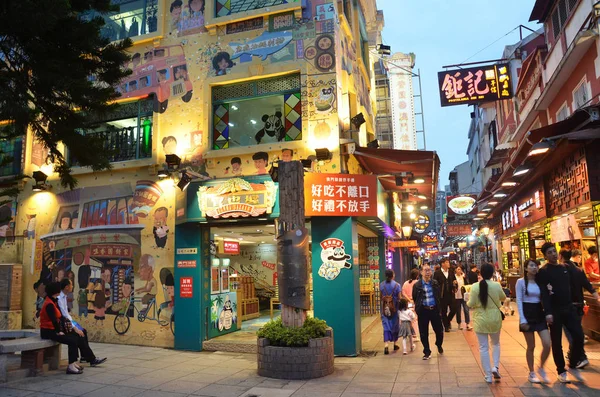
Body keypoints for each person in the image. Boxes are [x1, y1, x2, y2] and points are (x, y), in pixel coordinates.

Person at [537, 242, 587, 383]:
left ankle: (573, 362)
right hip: (554, 311)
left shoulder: (565, 268)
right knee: (557, 341)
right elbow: (544, 293)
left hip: (569, 307)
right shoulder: (544, 271)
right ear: (545, 256)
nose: (553, 254)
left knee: (579, 335)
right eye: (549, 253)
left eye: (554, 251)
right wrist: (547, 312)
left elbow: (576, 284)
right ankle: (561, 370)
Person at [560, 249, 599, 369]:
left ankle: (581, 357)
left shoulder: (561, 270)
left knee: (571, 333)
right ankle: (573, 355)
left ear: (561, 257)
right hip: (579, 305)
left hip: (568, 307)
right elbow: (587, 284)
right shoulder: (579, 270)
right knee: (577, 331)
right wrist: (596, 295)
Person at [467, 263, 506, 383]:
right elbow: (503, 297)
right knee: (495, 344)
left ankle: (488, 375)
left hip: (480, 319)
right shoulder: (496, 285)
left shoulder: (474, 287)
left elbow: (471, 303)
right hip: (494, 318)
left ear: (480, 273)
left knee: (483, 347)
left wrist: (467, 301)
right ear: (492, 273)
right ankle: (495, 367)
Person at [516, 259, 551, 384]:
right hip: (527, 313)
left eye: (536, 265)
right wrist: (522, 319)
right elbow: (519, 300)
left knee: (547, 343)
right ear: (526, 268)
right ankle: (531, 372)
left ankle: (541, 368)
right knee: (531, 346)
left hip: (539, 313)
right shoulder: (520, 282)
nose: (534, 268)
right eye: (531, 265)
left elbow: (545, 297)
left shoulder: (540, 282)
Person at [58, 279, 106, 366]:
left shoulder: (64, 296)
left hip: (69, 321)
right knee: (79, 334)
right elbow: (64, 315)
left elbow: (67, 315)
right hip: (64, 324)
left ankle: (84, 356)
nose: (72, 286)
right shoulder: (59, 298)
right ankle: (92, 359)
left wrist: (75, 324)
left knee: (83, 331)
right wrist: (74, 327)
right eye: (71, 284)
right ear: (66, 287)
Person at [412, 263, 444, 360]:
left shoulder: (435, 283)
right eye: (425, 270)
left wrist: (439, 309)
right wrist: (418, 309)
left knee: (439, 331)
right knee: (423, 333)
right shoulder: (417, 285)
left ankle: (438, 344)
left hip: (434, 310)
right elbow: (415, 298)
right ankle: (426, 351)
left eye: (429, 270)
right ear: (421, 272)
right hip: (423, 311)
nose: (427, 272)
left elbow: (438, 296)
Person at [379, 269, 401, 355]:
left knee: (386, 326)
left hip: (385, 309)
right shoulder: (397, 285)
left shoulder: (381, 285)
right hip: (394, 309)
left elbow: (381, 297)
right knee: (395, 326)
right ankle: (395, 344)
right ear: (393, 275)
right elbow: (399, 297)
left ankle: (386, 345)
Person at [433, 258, 457, 332]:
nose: (448, 263)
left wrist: (455, 285)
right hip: (442, 295)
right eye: (447, 262)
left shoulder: (451, 272)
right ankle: (446, 326)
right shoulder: (437, 273)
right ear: (442, 264)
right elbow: (434, 284)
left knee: (454, 309)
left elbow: (454, 280)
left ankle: (447, 321)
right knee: (443, 311)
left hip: (450, 293)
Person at [402, 269, 420, 342]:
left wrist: (409, 300)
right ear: (417, 275)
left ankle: (408, 334)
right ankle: (414, 335)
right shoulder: (418, 283)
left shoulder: (406, 283)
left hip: (407, 303)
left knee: (408, 319)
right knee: (414, 319)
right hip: (416, 303)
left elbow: (403, 293)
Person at [454, 266, 471, 330]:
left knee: (466, 309)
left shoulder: (463, 276)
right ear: (455, 270)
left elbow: (467, 284)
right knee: (458, 310)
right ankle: (459, 323)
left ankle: (468, 323)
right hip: (457, 296)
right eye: (458, 269)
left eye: (460, 269)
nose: (459, 270)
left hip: (464, 295)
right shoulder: (454, 277)